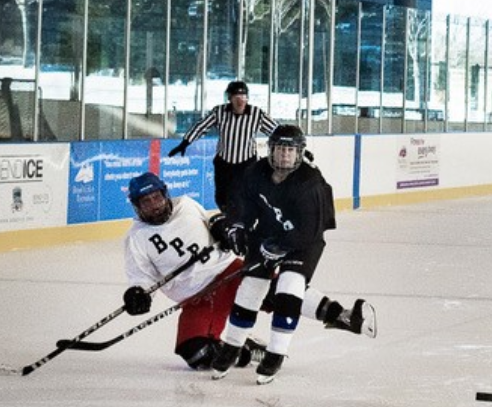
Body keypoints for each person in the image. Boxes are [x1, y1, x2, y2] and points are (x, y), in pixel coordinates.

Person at [121, 172, 372, 373]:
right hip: (195, 299)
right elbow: (141, 279)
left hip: (227, 273)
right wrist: (138, 295)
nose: (154, 205)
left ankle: (341, 315)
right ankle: (248, 350)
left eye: (156, 197)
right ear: (136, 207)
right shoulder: (136, 238)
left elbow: (211, 222)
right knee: (197, 354)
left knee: (279, 291)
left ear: (165, 194)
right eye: (146, 202)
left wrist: (222, 227)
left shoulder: (185, 205)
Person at [206, 125, 352, 384]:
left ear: (300, 153)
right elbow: (242, 204)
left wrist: (280, 248)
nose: (285, 155)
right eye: (280, 149)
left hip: (304, 244)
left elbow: (310, 229)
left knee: (289, 288)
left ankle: (276, 353)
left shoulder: (311, 183)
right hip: (265, 236)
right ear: (271, 150)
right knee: (249, 288)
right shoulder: (255, 172)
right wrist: (237, 227)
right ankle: (231, 346)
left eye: (291, 150)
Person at [167, 81, 278, 214]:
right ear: (229, 99)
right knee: (221, 197)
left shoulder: (256, 114)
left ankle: (241, 223)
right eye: (237, 98)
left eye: (243, 97)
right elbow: (201, 126)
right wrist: (185, 142)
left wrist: (297, 146)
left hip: (247, 163)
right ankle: (228, 218)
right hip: (224, 162)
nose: (240, 102)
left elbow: (277, 131)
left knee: (241, 197)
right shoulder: (219, 112)